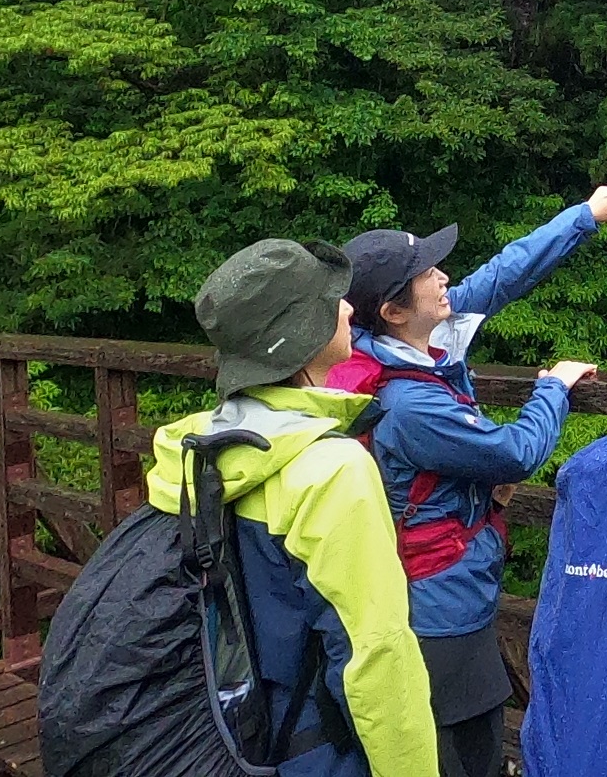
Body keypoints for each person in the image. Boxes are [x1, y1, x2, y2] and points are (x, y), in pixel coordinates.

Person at [47, 237, 438, 777]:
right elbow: (376, 658)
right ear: (301, 334)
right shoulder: (330, 470)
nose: (349, 308)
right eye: (331, 302)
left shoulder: (201, 446)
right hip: (315, 752)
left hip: (235, 739)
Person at [325, 171, 607, 777]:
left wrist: (585, 216)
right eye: (427, 274)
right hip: (434, 606)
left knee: (473, 734)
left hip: (448, 591)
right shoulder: (407, 401)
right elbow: (514, 452)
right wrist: (552, 389)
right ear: (393, 310)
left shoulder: (410, 340)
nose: (443, 277)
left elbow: (501, 275)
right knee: (455, 748)